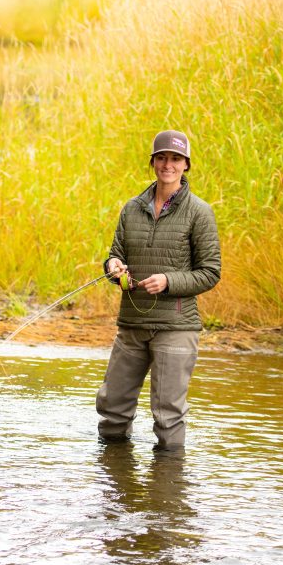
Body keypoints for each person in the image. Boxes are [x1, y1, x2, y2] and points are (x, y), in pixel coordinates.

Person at [95, 129, 221, 450]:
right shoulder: (131, 208)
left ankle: (166, 493)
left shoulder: (199, 212)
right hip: (132, 326)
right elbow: (116, 254)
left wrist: (168, 281)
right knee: (112, 410)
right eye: (162, 157)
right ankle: (114, 486)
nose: (168, 164)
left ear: (186, 165)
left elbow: (210, 272)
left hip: (176, 327)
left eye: (175, 159)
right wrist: (113, 268)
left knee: (167, 416)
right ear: (153, 162)